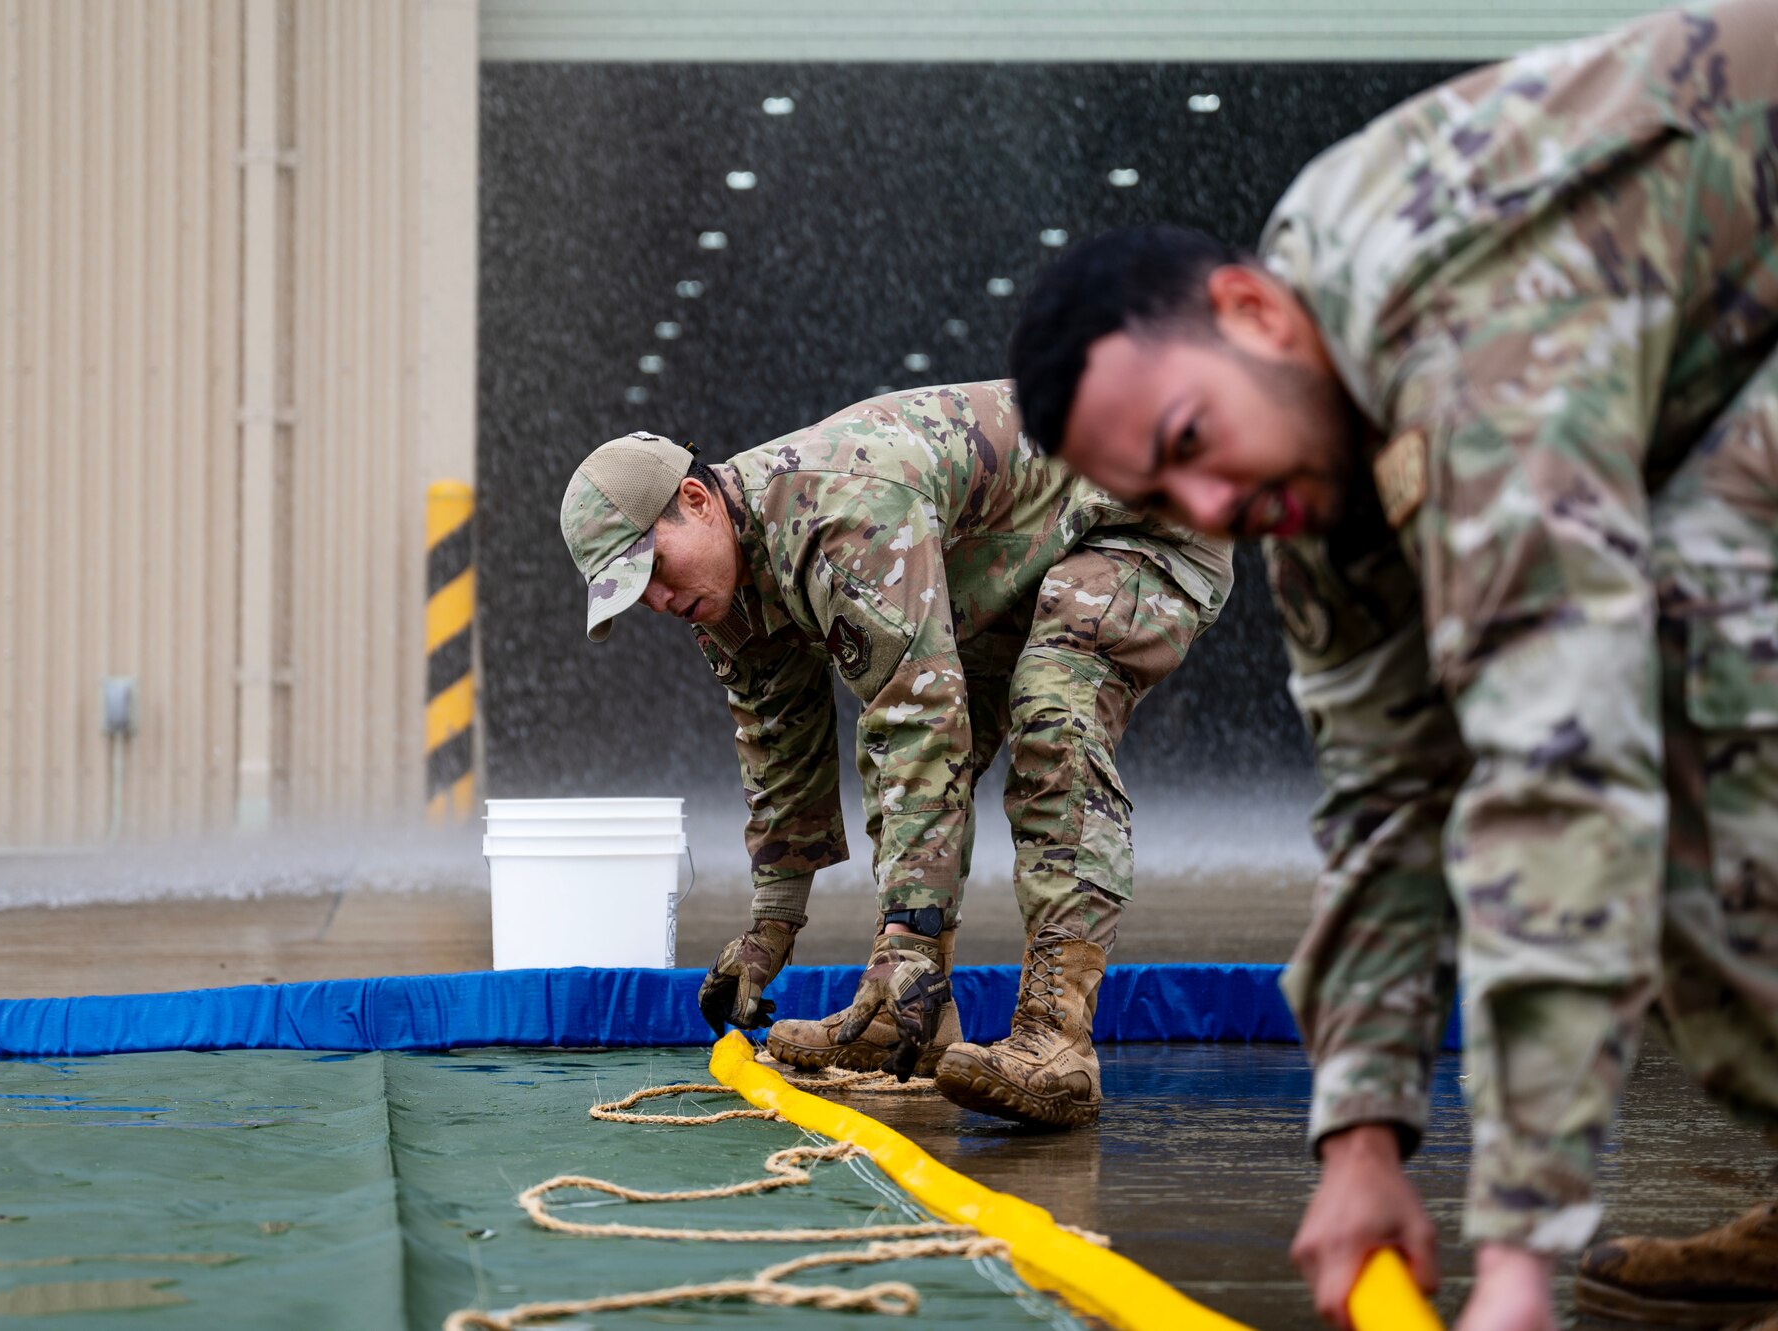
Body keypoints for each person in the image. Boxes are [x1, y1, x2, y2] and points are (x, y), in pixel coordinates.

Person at [1005, 1, 1778, 1325]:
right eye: (1164, 490)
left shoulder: (1454, 327)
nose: (1211, 501)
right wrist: (1358, 1140)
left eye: (1194, 433)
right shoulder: (1309, 465)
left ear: (1250, 309)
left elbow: (1564, 761)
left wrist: (1518, 1260)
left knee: (1673, 654)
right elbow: (1387, 797)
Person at [556, 382, 1232, 1127]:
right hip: (1026, 552)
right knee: (899, 738)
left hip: (1153, 517)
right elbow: (780, 742)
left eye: (652, 568)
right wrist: (770, 927)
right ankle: (910, 1014)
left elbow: (921, 724)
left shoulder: (843, 514)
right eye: (633, 592)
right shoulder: (722, 587)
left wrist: (905, 934)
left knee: (1052, 710)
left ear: (696, 498)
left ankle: (1058, 1040)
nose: (656, 599)